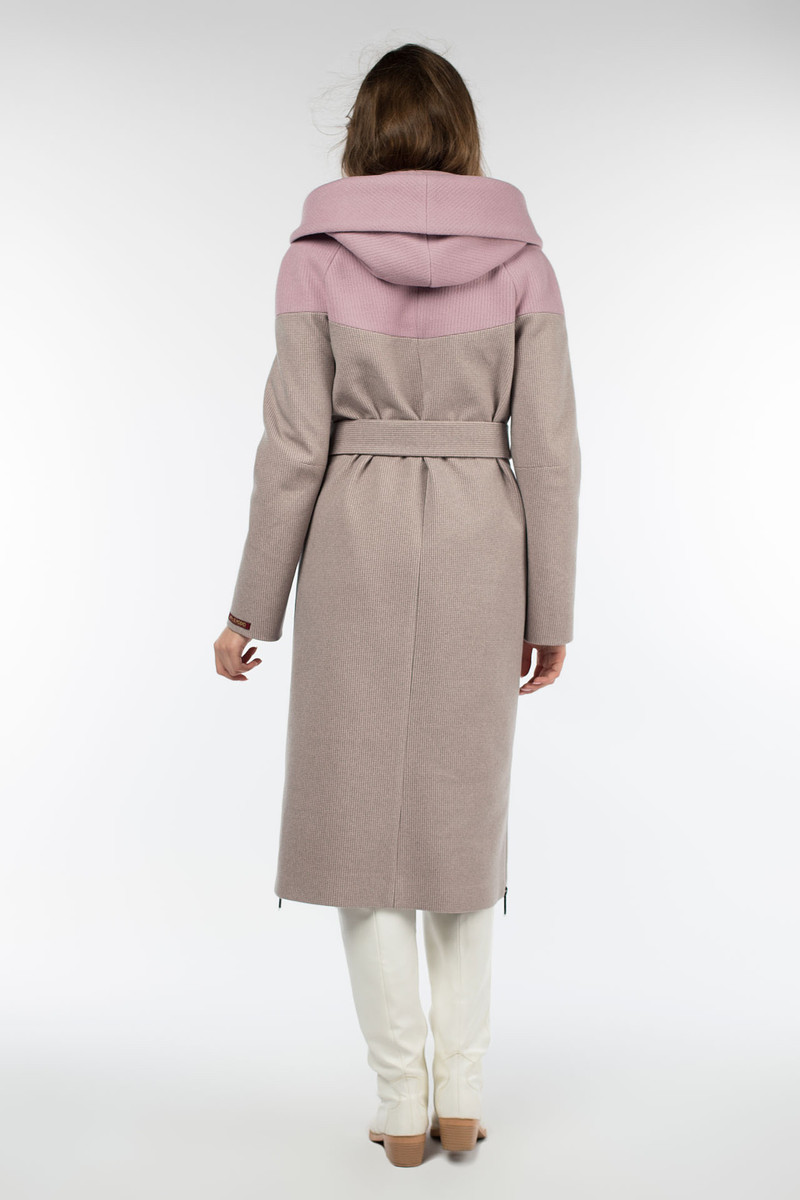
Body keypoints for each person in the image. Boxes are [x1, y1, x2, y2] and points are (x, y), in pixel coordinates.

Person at [213, 43, 581, 1168]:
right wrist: (551, 608)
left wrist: (249, 611)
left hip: (356, 539)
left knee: (357, 820)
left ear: (361, 134)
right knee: (461, 822)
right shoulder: (522, 261)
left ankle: (398, 1101)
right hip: (482, 537)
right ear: (461, 133)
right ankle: (460, 1095)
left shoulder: (314, 259)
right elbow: (550, 449)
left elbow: (292, 448)